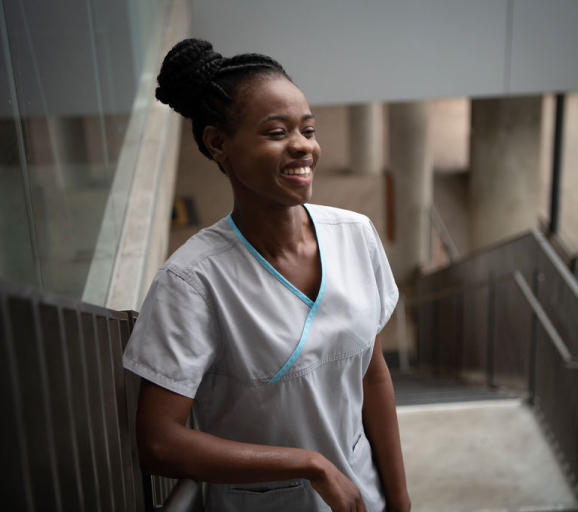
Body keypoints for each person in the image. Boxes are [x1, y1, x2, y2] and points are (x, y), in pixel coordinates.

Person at [122, 39, 411, 512]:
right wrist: (308, 464)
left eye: (308, 129)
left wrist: (399, 501)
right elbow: (158, 443)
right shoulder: (193, 281)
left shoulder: (356, 235)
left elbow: (373, 376)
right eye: (277, 132)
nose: (303, 146)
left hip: (362, 499)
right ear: (219, 144)